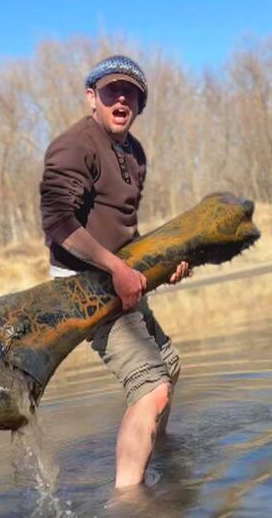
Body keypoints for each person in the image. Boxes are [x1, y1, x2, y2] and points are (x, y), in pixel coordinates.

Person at [39, 55, 191, 488]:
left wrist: (164, 263)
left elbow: (124, 227)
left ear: (140, 104)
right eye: (111, 91)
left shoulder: (133, 152)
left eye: (131, 93)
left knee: (169, 366)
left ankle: (153, 448)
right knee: (150, 384)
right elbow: (58, 224)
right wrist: (115, 268)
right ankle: (127, 500)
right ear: (92, 97)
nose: (121, 98)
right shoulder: (75, 146)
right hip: (84, 285)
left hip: (119, 276)